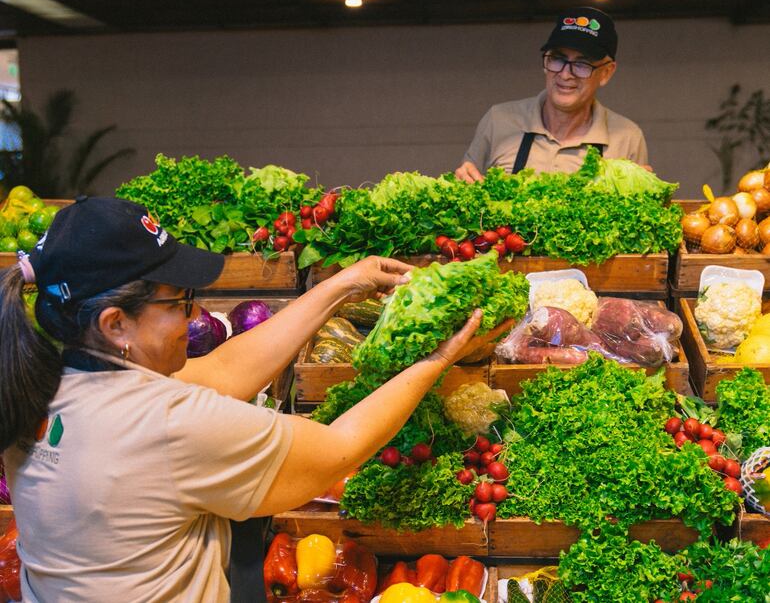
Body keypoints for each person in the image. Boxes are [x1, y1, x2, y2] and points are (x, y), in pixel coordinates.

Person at [0, 196, 508, 602]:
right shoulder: (168, 424)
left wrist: (342, 285)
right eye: (179, 303)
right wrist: (437, 359)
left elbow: (224, 369)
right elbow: (339, 449)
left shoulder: (34, 383)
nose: (189, 317)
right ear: (116, 324)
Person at [455, 6, 648, 183]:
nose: (565, 74)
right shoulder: (499, 121)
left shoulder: (627, 137)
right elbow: (465, 198)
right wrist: (462, 182)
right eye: (557, 59)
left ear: (606, 72)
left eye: (582, 64)